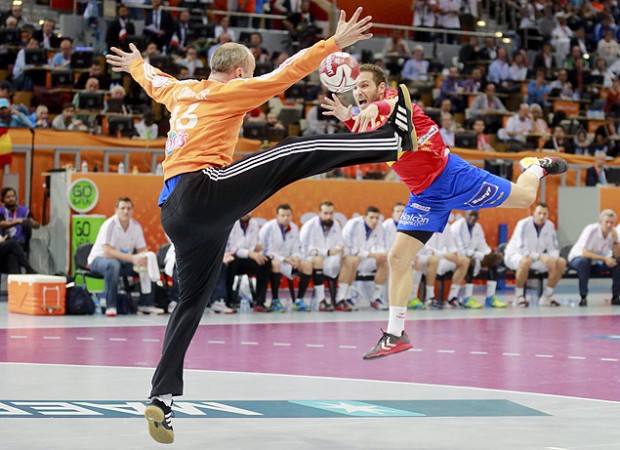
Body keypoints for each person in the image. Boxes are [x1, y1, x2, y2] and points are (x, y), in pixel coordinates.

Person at [106, 8, 415, 442]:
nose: (251, 79)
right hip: (203, 188)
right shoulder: (228, 92)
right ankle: (386, 142)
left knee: (189, 304)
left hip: (175, 211)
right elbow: (286, 73)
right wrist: (334, 43)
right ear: (236, 72)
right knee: (290, 153)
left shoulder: (180, 92)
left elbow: (152, 79)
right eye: (249, 73)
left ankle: (161, 399)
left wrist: (135, 63)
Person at [321, 62, 568, 360]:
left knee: (526, 198)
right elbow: (368, 139)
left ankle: (536, 167)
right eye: (355, 87)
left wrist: (376, 108)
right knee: (397, 257)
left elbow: (394, 103)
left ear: (381, 89)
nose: (357, 91)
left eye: (364, 86)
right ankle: (395, 334)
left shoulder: (401, 104)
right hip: (424, 196)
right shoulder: (369, 122)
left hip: (455, 178)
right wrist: (350, 119)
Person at [87, 197, 165, 317]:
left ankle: (146, 304)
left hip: (122, 261)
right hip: (99, 260)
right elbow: (107, 252)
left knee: (147, 261)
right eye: (122, 208)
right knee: (113, 264)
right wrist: (133, 258)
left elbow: (142, 249)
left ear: (132, 211)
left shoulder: (136, 226)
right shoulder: (110, 225)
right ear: (116, 210)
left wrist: (145, 257)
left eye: (128, 208)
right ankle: (111, 306)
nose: (126, 211)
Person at [504, 203, 566, 307]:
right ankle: (519, 297)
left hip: (537, 258)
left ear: (548, 215)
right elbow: (523, 249)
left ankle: (546, 297)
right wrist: (541, 257)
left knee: (561, 262)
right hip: (515, 255)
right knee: (525, 261)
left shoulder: (550, 226)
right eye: (539, 213)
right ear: (534, 213)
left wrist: (552, 259)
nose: (542, 216)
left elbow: (553, 248)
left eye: (545, 214)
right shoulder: (523, 224)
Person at [260, 203, 312, 312]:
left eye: (288, 215)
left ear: (291, 216)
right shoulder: (268, 228)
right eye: (283, 215)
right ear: (277, 216)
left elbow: (297, 247)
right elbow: (267, 251)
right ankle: (275, 301)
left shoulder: (294, 228)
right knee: (276, 264)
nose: (286, 218)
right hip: (274, 259)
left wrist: (296, 258)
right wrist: (285, 259)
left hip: (290, 260)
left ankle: (299, 301)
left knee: (307, 265)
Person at [451, 210, 506, 308]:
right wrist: (482, 256)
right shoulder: (458, 226)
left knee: (494, 261)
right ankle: (467, 298)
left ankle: (490, 297)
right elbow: (463, 252)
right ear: (465, 215)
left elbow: (483, 245)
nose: (473, 217)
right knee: (469, 261)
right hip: (456, 257)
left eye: (475, 215)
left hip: (473, 255)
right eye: (470, 215)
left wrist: (492, 254)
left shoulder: (477, 227)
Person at [339, 206, 389, 311]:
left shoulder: (379, 227)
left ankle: (376, 297)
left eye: (377, 218)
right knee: (353, 260)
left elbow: (382, 246)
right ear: (365, 217)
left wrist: (381, 254)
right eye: (371, 217)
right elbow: (351, 249)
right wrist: (372, 255)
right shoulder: (353, 224)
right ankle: (344, 297)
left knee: (385, 261)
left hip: (365, 259)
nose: (374, 220)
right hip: (347, 257)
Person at [299, 201, 344, 311]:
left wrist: (338, 249)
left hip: (331, 258)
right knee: (319, 260)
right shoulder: (309, 226)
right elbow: (305, 248)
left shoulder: (336, 224)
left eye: (331, 213)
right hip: (310, 258)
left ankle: (342, 299)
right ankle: (321, 300)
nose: (329, 216)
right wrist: (326, 252)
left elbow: (340, 243)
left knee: (348, 261)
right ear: (319, 213)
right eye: (325, 213)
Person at [568, 209, 620, 306]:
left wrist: (616, 240)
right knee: (584, 262)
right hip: (578, 259)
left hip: (597, 262)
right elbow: (585, 252)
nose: (609, 225)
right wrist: (605, 259)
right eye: (607, 222)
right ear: (600, 222)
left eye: (612, 223)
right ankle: (583, 297)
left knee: (618, 262)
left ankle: (616, 296)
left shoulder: (612, 233)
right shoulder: (591, 230)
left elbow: (617, 255)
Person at [226, 212, 271, 311]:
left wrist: (255, 250)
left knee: (266, 261)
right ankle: (228, 300)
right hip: (232, 259)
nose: (247, 213)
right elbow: (232, 248)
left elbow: (253, 245)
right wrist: (249, 253)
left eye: (249, 211)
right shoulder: (231, 223)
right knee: (233, 260)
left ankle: (259, 302)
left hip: (247, 258)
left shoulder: (254, 224)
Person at [0, 187, 40, 253]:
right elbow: (2, 224)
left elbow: (37, 226)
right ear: (3, 199)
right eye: (8, 197)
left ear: (16, 198)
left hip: (21, 243)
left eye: (13, 196)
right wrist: (18, 221)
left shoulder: (24, 210)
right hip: (5, 242)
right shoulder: (1, 211)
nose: (11, 199)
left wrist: (31, 221)